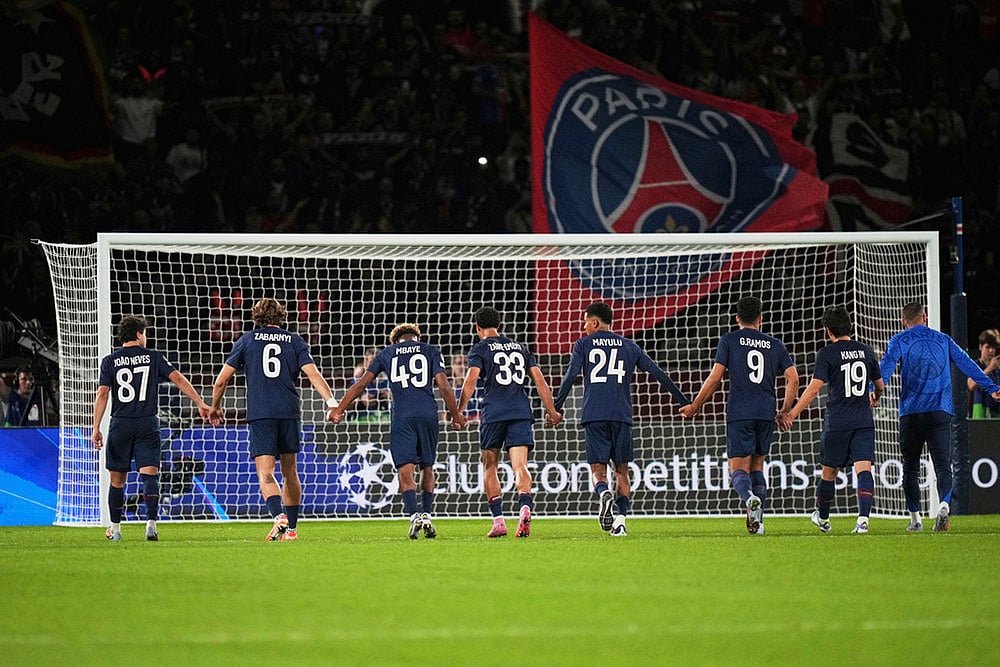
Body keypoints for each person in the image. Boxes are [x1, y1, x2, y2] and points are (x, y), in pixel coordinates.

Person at [553, 303, 691, 537]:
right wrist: (683, 401)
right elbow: (658, 373)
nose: (584, 326)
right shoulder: (630, 346)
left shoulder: (583, 344)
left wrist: (555, 408)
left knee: (598, 470)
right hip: (622, 415)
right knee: (622, 471)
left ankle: (603, 493)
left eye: (585, 322)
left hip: (594, 414)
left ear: (595, 322)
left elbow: (570, 375)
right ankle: (620, 522)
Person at [210, 297, 337, 542]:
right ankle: (291, 530)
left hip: (261, 414)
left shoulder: (246, 340)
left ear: (255, 316)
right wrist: (331, 403)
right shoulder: (295, 341)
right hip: (289, 412)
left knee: (265, 473)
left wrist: (215, 407)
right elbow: (314, 375)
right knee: (291, 473)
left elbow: (221, 380)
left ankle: (279, 517)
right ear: (282, 316)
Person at [330, 324, 467, 538]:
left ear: (396, 340)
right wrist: (456, 414)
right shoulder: (430, 350)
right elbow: (443, 386)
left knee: (405, 468)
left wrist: (339, 409)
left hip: (402, 416)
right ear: (416, 338)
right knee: (427, 467)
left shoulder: (387, 353)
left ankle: (414, 516)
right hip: (428, 414)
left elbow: (361, 385)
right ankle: (427, 515)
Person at [679, 296, 799, 535]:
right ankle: (758, 522)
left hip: (740, 412)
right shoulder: (775, 344)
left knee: (738, 470)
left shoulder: (729, 340)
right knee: (758, 467)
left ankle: (749, 498)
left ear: (737, 318)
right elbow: (793, 378)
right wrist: (785, 410)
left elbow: (715, 378)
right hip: (766, 412)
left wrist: (696, 405)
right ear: (760, 319)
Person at [879, 303, 1000, 532]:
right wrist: (991, 387)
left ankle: (915, 520)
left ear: (904, 321)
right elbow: (966, 363)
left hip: (911, 413)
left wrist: (873, 393)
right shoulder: (943, 339)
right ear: (924, 317)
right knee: (943, 465)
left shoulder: (898, 340)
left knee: (911, 467)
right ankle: (944, 506)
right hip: (940, 411)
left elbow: (885, 370)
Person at [92, 315, 213, 541]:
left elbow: (102, 393)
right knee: (150, 476)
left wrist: (96, 427)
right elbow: (177, 377)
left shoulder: (110, 361)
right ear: (139, 334)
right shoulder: (153, 357)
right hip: (147, 422)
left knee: (117, 481)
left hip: (121, 423)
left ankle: (116, 531)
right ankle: (151, 526)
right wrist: (200, 403)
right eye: (144, 333)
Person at [777, 307, 885, 534]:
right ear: (851, 327)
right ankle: (863, 519)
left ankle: (824, 519)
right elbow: (880, 385)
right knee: (864, 470)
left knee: (829, 473)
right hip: (863, 421)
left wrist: (792, 414)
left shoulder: (827, 354)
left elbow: (815, 389)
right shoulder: (866, 351)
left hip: (837, 422)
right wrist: (875, 397)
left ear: (828, 331)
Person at [458, 306, 562, 538]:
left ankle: (499, 521)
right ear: (499, 326)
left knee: (490, 465)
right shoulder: (519, 348)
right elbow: (540, 380)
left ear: (477, 328)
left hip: (494, 413)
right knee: (520, 466)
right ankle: (524, 507)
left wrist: (458, 412)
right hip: (520, 411)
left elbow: (471, 380)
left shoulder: (480, 348)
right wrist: (552, 410)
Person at [968, 328, 1000, 419]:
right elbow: (971, 385)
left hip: (996, 409)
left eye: (993, 347)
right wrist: (990, 368)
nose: (991, 350)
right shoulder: (975, 364)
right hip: (980, 407)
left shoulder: (997, 368)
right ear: (981, 347)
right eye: (988, 347)